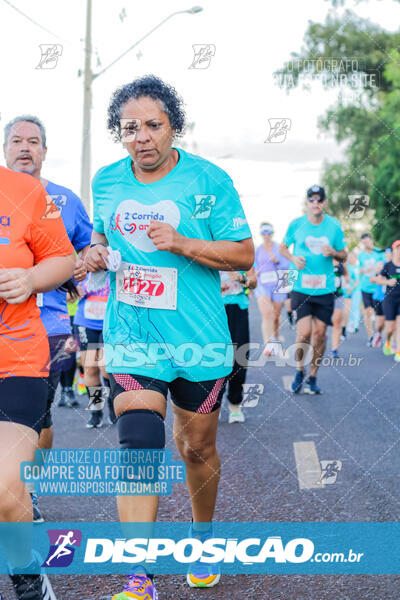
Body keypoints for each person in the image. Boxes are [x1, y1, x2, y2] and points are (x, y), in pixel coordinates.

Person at [84, 75, 254, 598]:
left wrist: (183, 243)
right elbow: (101, 237)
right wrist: (93, 252)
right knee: (138, 445)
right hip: (134, 334)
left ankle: (202, 537)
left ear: (173, 127)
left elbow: (244, 254)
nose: (142, 137)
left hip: (199, 338)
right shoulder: (108, 181)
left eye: (153, 125)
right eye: (129, 128)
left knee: (196, 449)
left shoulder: (210, 180)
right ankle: (139, 577)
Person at [3, 114, 92, 522]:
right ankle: (16, 488)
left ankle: (26, 488)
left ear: (44, 151)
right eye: (17, 140)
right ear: (6, 148)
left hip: (51, 326)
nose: (25, 147)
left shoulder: (64, 200)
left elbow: (85, 248)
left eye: (33, 141)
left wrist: (74, 268)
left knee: (41, 419)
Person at [0, 166, 74, 600]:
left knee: (7, 487)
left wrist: (29, 279)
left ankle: (27, 577)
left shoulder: (24, 190)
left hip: (16, 358)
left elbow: (63, 258)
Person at [280, 185, 347, 394]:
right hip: (301, 286)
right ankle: (300, 370)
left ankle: (313, 375)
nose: (316, 203)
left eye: (319, 200)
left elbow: (344, 254)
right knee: (304, 333)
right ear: (307, 203)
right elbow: (283, 247)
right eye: (312, 200)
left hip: (325, 288)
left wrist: (334, 252)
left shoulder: (334, 226)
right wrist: (293, 258)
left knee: (320, 335)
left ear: (325, 203)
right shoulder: (297, 224)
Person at [73, 274, 115, 427]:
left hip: (109, 324)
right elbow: (66, 293)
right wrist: (73, 291)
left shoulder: (115, 263)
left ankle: (112, 405)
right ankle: (96, 411)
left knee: (105, 369)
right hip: (86, 323)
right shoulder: (82, 268)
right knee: (90, 369)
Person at [220, 268, 257, 423]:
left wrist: (242, 278)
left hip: (237, 308)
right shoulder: (206, 251)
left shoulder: (241, 253)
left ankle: (235, 403)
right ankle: (213, 403)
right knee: (215, 357)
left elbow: (253, 282)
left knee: (239, 357)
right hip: (213, 309)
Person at [254, 222, 288, 355]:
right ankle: (268, 345)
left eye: (268, 232)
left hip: (278, 284)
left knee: (275, 316)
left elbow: (287, 266)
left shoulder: (279, 248)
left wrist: (277, 261)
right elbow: (253, 264)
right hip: (262, 284)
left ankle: (275, 337)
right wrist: (255, 271)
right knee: (266, 314)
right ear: (261, 234)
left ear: (272, 233)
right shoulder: (258, 249)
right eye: (263, 232)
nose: (266, 235)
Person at [372, 240, 400, 361]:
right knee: (389, 328)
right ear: (393, 250)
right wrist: (387, 282)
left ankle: (398, 351)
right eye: (397, 248)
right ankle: (387, 341)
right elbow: (377, 280)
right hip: (389, 299)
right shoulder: (387, 266)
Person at [358, 233, 385, 347]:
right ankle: (371, 337)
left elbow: (384, 267)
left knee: (381, 314)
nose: (366, 244)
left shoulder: (379, 253)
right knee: (367, 311)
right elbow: (359, 270)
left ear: (371, 241)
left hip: (378, 288)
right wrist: (364, 269)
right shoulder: (361, 255)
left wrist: (377, 269)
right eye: (364, 243)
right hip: (365, 287)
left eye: (367, 242)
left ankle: (380, 334)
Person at [331, 259, 348, 358]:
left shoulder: (341, 260)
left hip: (338, 295)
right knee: (321, 326)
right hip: (324, 295)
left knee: (337, 322)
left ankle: (334, 349)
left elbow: (346, 275)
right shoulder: (324, 258)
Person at [342, 252, 360, 336]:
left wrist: (351, 289)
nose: (350, 259)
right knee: (346, 308)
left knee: (354, 307)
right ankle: (348, 323)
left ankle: (355, 325)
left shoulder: (356, 268)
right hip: (345, 290)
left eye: (352, 257)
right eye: (349, 257)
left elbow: (356, 281)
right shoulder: (345, 267)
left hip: (355, 290)